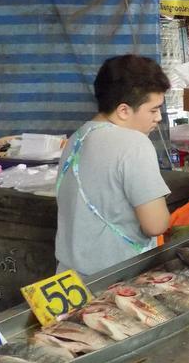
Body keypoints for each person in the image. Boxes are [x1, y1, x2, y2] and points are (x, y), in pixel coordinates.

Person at [55, 55, 172, 280]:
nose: (158, 117)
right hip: (116, 281)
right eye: (153, 109)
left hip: (69, 280)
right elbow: (155, 224)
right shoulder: (134, 144)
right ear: (123, 111)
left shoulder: (76, 139)